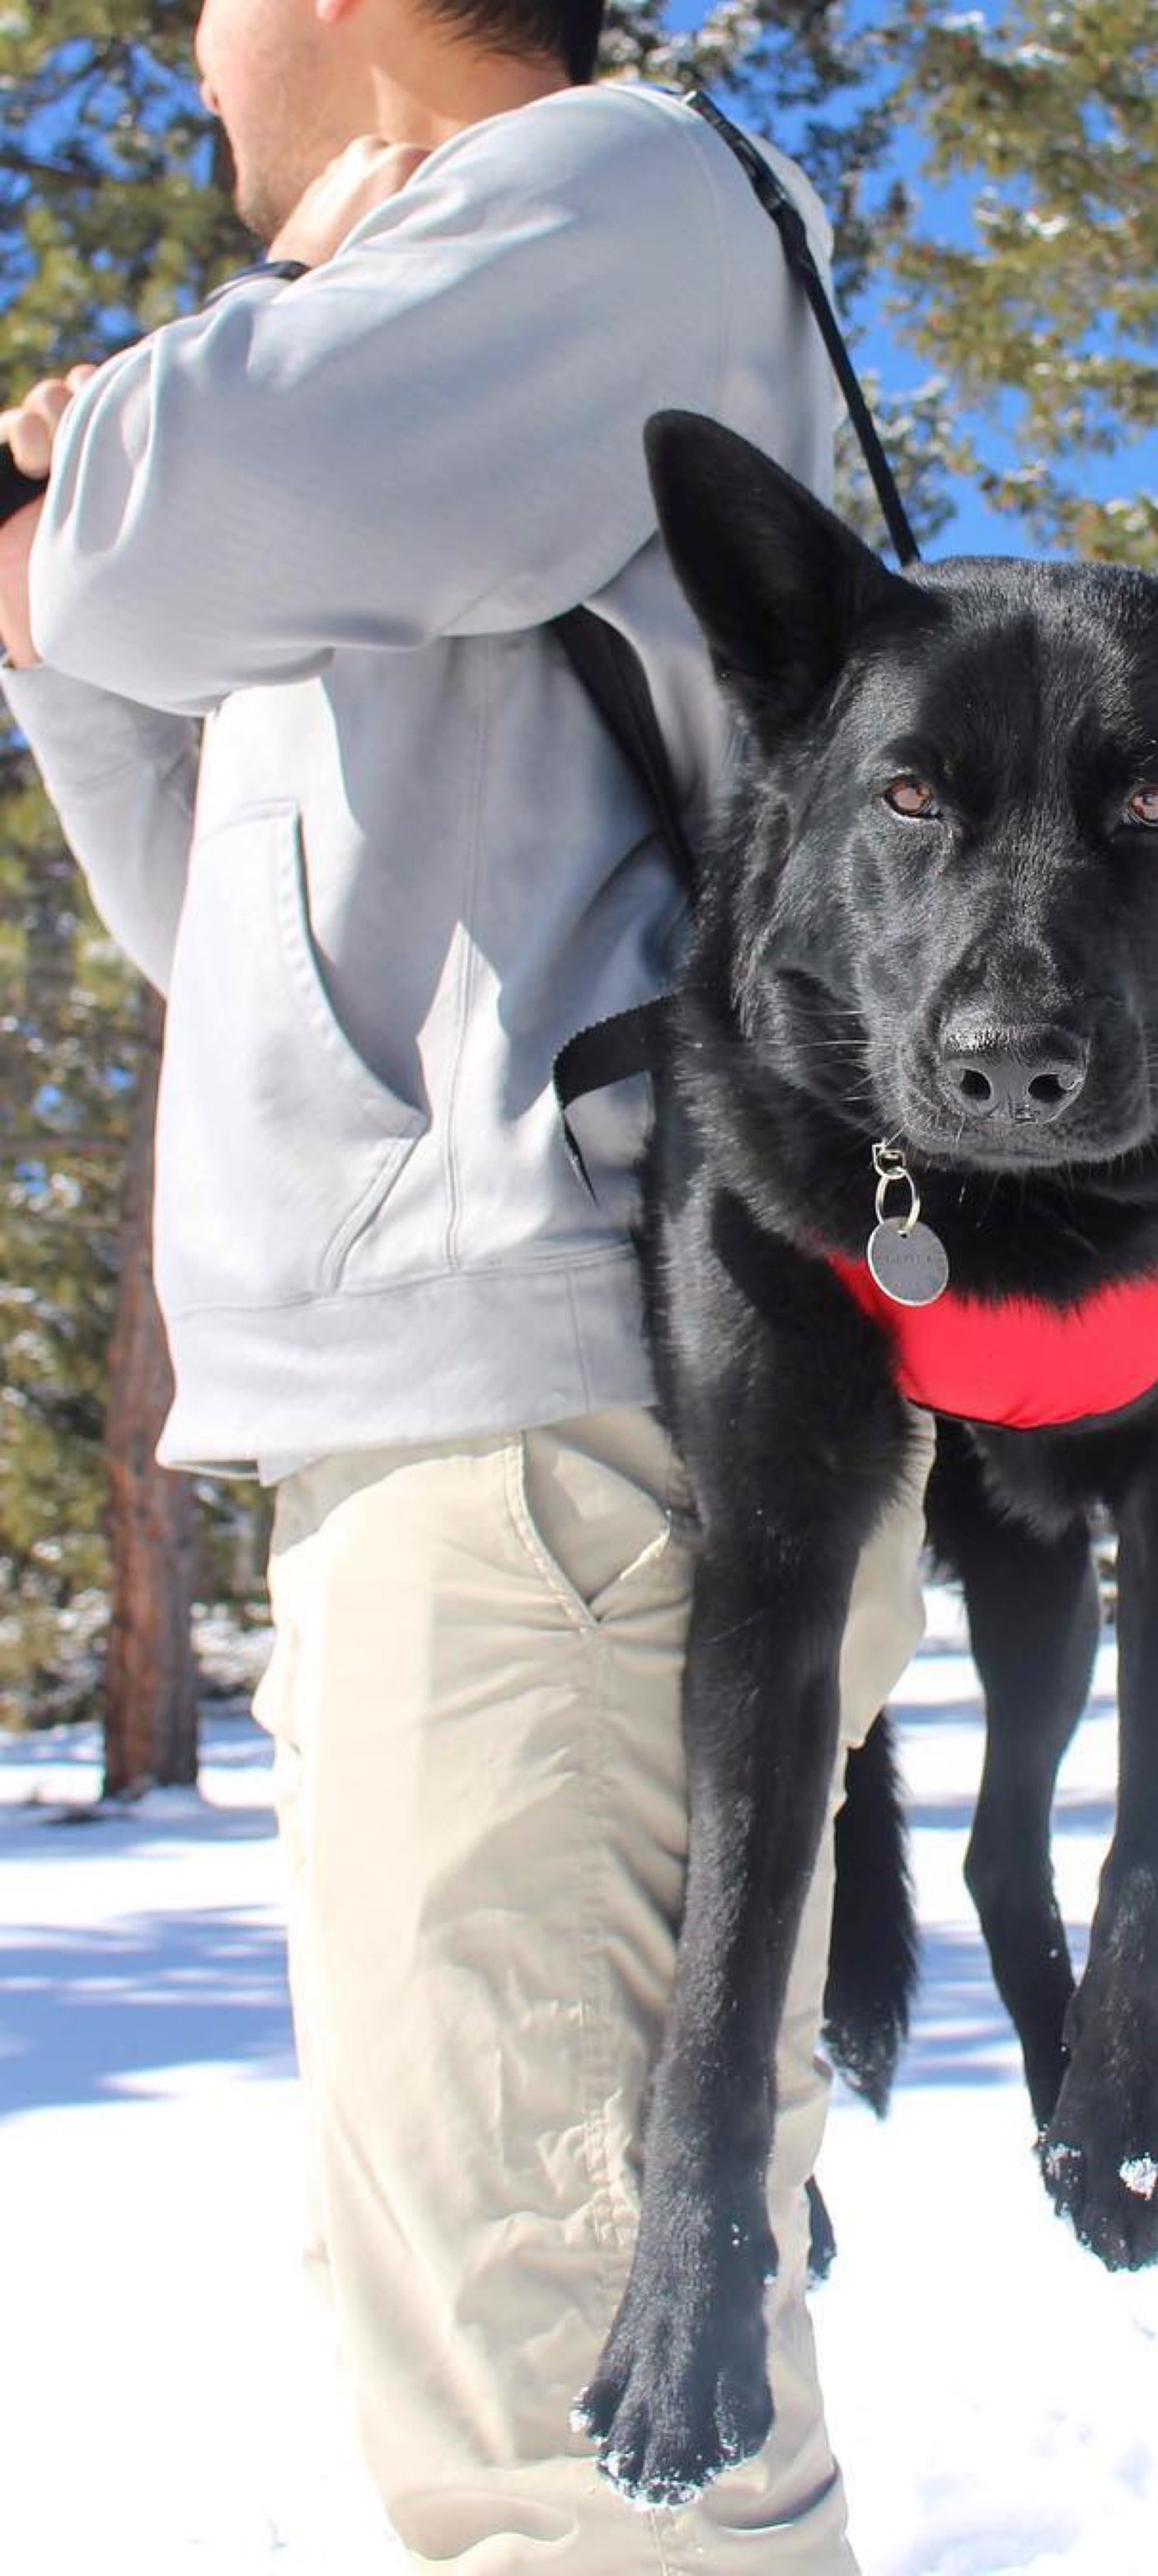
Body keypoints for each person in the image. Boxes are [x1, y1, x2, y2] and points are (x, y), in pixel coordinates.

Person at [0, 3, 930, 2569]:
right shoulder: (418, 380)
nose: (192, 55)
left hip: (577, 1437)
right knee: (484, 2312)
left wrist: (102, 475)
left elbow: (172, 523)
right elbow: (219, 925)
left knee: (568, 2402)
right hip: (490, 1448)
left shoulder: (611, 187)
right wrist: (60, 611)